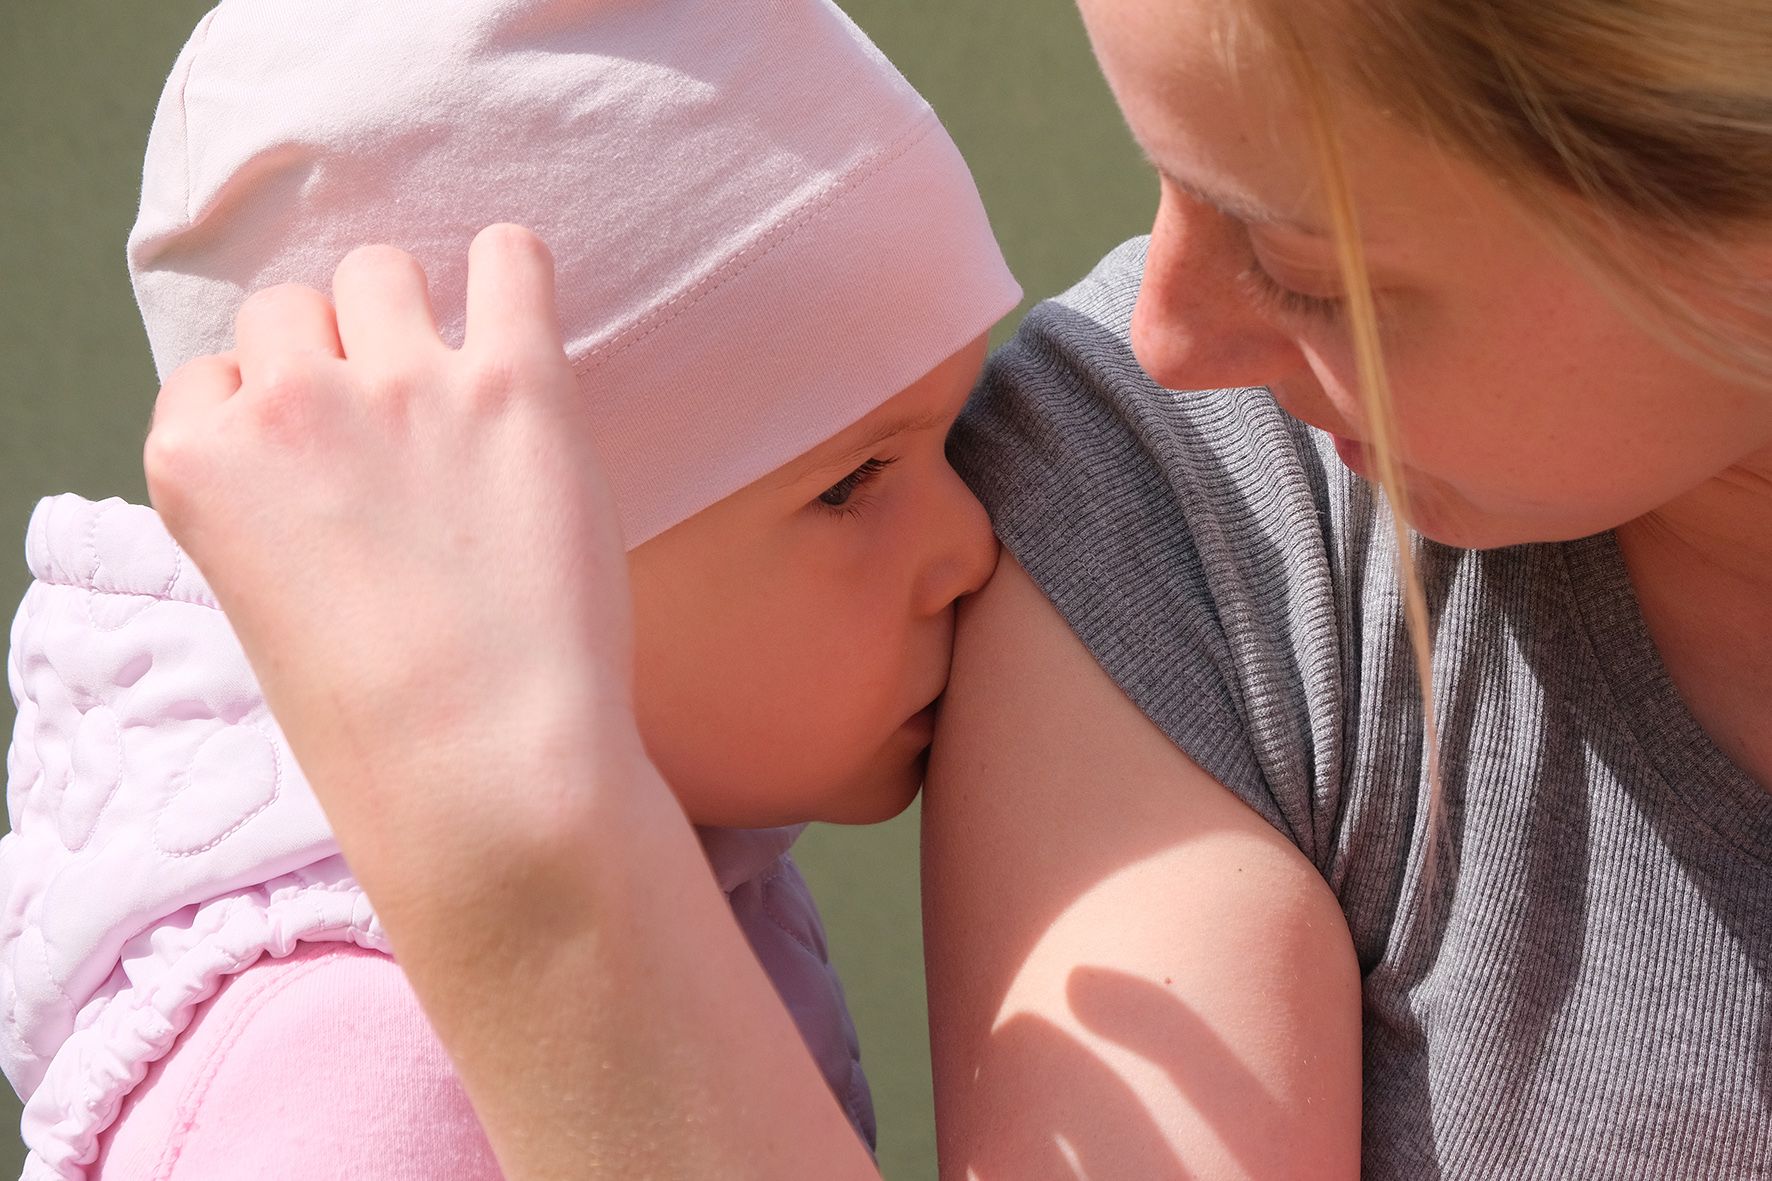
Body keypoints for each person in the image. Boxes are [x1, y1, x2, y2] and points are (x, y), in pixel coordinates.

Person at [132, 0, 1772, 1177]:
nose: (1163, 339)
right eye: (857, 477)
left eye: (1303, 264)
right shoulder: (340, 1080)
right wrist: (518, 862)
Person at [0, 0, 1018, 1177]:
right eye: (850, 482)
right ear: (519, 552)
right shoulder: (356, 1076)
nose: (972, 544)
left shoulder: (674, 875)